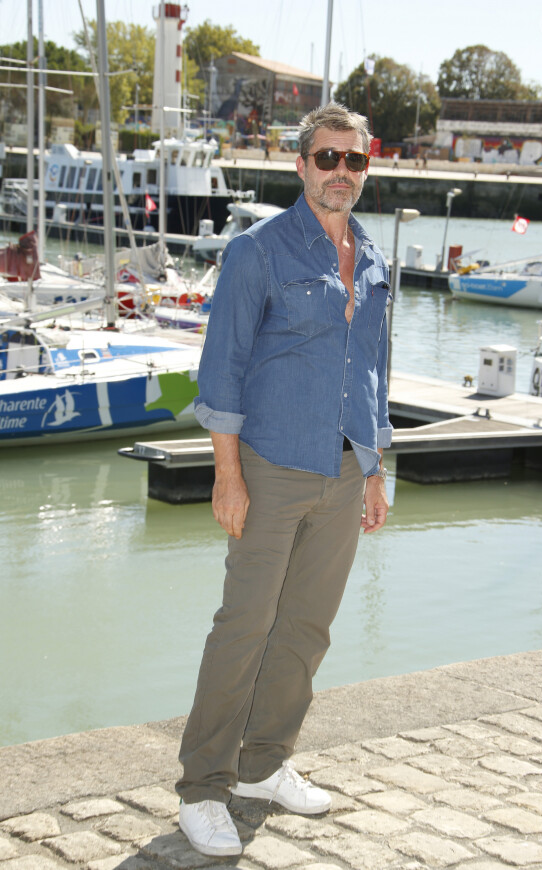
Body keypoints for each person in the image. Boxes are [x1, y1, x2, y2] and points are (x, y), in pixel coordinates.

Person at [176, 101, 392, 858]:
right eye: (326, 158)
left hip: (343, 469)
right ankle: (203, 786)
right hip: (268, 466)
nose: (340, 173)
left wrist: (374, 468)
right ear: (301, 166)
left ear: (367, 167)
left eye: (353, 160)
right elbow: (221, 369)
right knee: (244, 627)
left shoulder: (372, 258)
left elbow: (372, 371)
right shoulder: (258, 251)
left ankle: (264, 766)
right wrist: (227, 476)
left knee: (306, 629)